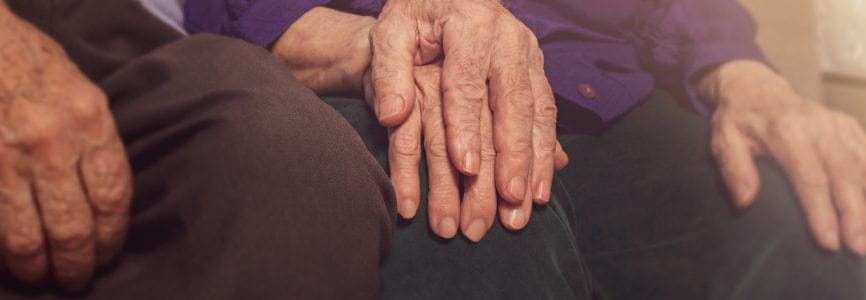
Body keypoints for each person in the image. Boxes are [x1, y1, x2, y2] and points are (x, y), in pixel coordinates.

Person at [0, 0, 863, 299]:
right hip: (384, 67)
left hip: (605, 86)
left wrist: (751, 80)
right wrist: (380, 43)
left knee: (812, 231)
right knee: (479, 243)